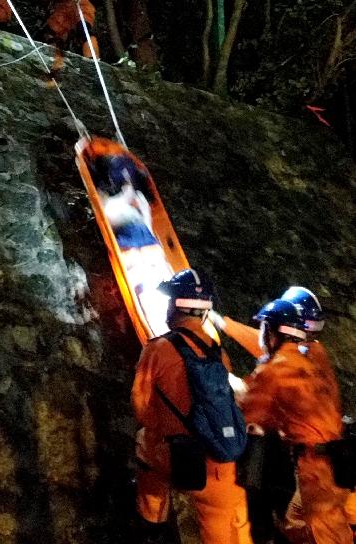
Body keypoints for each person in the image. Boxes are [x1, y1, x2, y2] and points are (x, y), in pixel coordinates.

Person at [131, 269, 253, 544]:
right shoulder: (218, 353)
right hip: (221, 462)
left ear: (174, 306)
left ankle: (152, 529)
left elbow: (142, 407)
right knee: (230, 528)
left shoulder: (157, 349)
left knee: (145, 447)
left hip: (179, 458)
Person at [239, 298, 353, 544]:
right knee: (296, 523)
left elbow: (249, 410)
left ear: (271, 332)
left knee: (327, 534)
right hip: (338, 459)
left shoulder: (276, 369)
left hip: (315, 466)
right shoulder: (312, 361)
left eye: (262, 329)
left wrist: (229, 384)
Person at [90, 153, 172, 337]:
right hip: (138, 237)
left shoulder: (122, 206)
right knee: (147, 260)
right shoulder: (120, 206)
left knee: (147, 260)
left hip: (138, 237)